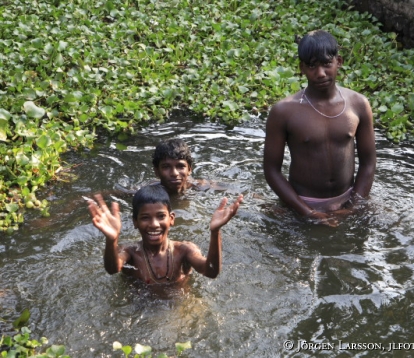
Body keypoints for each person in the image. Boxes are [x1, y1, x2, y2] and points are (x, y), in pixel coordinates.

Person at [263, 29, 376, 223]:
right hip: (301, 203)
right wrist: (308, 212)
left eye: (326, 64)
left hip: (349, 199)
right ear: (302, 68)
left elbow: (369, 163)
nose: (321, 73)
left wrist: (353, 206)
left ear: (338, 62)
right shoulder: (284, 112)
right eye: (312, 66)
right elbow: (271, 170)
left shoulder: (358, 104)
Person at [87, 184, 243, 284]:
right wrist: (111, 240)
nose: (154, 224)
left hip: (179, 313)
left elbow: (210, 271)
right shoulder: (130, 252)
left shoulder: (184, 250)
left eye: (161, 216)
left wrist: (215, 232)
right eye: (145, 218)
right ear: (135, 222)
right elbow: (113, 269)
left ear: (171, 219)